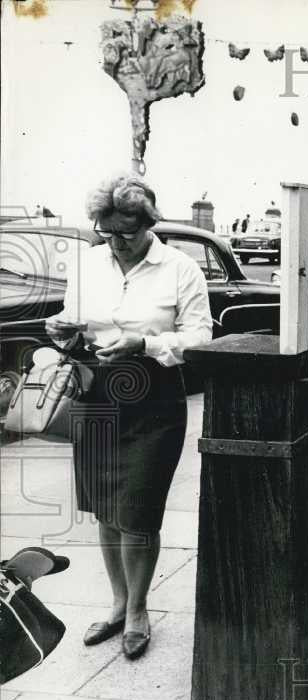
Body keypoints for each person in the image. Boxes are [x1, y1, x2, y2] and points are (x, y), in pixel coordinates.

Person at [45, 174, 213, 660]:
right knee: (105, 508)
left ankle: (139, 609)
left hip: (154, 399)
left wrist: (146, 343)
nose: (116, 242)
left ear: (149, 224)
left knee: (137, 513)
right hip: (97, 394)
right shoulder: (87, 262)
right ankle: (118, 604)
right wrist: (63, 331)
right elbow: (74, 325)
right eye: (107, 232)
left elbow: (201, 336)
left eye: (126, 232)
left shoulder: (180, 268)